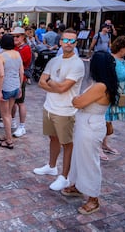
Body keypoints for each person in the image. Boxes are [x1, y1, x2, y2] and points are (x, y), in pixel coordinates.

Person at [61, 51, 118, 215]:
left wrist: (76, 100)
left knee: (89, 161)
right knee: (79, 158)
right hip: (86, 123)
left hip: (90, 125)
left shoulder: (100, 86)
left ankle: (93, 198)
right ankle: (77, 186)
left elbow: (78, 102)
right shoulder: (99, 83)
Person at [33, 29, 85, 191]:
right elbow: (41, 82)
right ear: (60, 41)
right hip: (49, 107)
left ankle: (64, 176)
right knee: (53, 138)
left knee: (67, 144)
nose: (68, 44)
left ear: (75, 44)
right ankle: (51, 166)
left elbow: (63, 87)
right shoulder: (54, 60)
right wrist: (56, 86)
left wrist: (53, 84)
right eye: (66, 40)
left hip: (65, 111)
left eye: (72, 41)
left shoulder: (77, 64)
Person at [102, 36, 125, 160]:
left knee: (111, 118)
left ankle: (104, 144)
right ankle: (98, 147)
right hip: (113, 92)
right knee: (105, 118)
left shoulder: (123, 59)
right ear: (121, 47)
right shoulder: (110, 59)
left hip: (123, 93)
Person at [0, 34, 23, 149]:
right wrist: (20, 86)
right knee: (9, 113)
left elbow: (1, 75)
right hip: (16, 86)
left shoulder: (1, 56)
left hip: (6, 87)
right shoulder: (17, 54)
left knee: (5, 114)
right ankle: (7, 134)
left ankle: (9, 140)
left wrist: (0, 90)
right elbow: (21, 72)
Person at [11, 27, 32, 137]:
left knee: (20, 102)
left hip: (20, 78)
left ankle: (22, 126)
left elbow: (19, 64)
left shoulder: (25, 49)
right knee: (13, 102)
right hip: (13, 77)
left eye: (17, 36)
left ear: (23, 37)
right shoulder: (15, 47)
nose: (15, 38)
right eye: (13, 36)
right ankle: (13, 120)